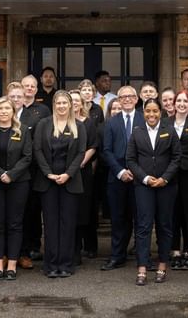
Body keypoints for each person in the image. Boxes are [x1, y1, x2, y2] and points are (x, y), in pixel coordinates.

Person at [33, 90, 87, 277]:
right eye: (58, 103)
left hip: (69, 182)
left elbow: (81, 153)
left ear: (70, 105)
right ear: (54, 105)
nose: (62, 106)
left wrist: (67, 174)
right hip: (47, 182)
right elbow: (38, 150)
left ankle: (65, 264)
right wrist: (48, 173)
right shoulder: (43, 124)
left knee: (67, 224)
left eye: (65, 103)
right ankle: (51, 265)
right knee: (50, 224)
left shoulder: (79, 126)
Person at [127, 99, 181, 286]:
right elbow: (131, 160)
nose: (152, 115)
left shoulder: (170, 130)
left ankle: (162, 266)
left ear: (161, 112)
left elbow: (176, 158)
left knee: (165, 226)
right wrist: (145, 178)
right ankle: (142, 268)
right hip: (144, 187)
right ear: (143, 113)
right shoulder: (136, 132)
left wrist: (164, 178)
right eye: (148, 111)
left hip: (166, 186)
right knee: (143, 226)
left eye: (155, 111)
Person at [0, 97, 33, 281]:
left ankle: (11, 265)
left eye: (7, 108)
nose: (3, 111)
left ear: (13, 111)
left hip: (18, 183)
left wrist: (11, 174)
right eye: (0, 108)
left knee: (15, 224)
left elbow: (27, 157)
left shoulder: (23, 131)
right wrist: (0, 174)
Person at [101, 85, 143, 271]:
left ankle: (143, 258)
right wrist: (120, 171)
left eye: (130, 96)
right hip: (116, 178)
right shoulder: (111, 122)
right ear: (118, 100)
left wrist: (137, 171)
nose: (126, 99)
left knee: (141, 219)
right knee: (118, 219)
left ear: (136, 99)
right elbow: (106, 151)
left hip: (140, 177)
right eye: (123, 97)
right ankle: (117, 256)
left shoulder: (144, 118)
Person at [18, 74, 51, 269]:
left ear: (36, 89)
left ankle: (34, 245)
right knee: (21, 210)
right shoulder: (13, 109)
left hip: (37, 168)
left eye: (32, 86)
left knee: (34, 208)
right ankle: (20, 248)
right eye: (26, 86)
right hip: (18, 168)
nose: (29, 89)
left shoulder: (43, 110)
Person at [170, 90, 188, 271]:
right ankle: (174, 251)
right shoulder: (166, 122)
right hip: (171, 174)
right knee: (173, 213)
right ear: (174, 104)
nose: (181, 104)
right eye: (178, 101)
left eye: (185, 101)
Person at [70, 89, 99, 266]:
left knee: (84, 209)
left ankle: (86, 246)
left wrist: (81, 162)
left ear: (82, 103)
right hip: (66, 173)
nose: (74, 104)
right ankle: (72, 248)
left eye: (77, 101)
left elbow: (93, 145)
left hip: (83, 171)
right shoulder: (60, 122)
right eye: (70, 100)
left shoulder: (88, 123)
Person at [77, 79, 104, 257]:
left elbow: (97, 140)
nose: (87, 93)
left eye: (89, 90)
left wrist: (91, 162)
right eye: (83, 90)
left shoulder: (96, 111)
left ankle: (91, 246)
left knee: (90, 207)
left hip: (91, 164)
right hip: (75, 167)